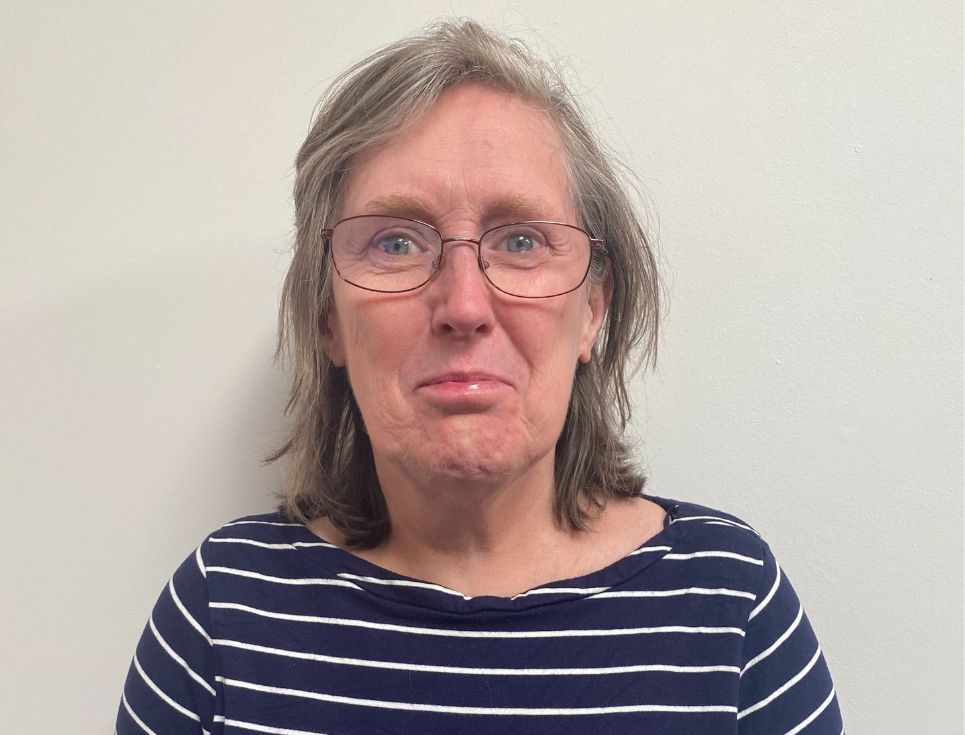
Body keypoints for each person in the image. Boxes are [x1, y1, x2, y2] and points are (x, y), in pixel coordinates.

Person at [116, 20, 844, 735]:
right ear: (326, 318)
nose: (463, 305)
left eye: (520, 239)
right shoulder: (223, 615)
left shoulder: (728, 605)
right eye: (396, 241)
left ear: (592, 307)